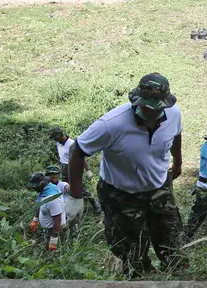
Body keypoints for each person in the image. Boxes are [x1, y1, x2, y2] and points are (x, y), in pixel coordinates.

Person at [68, 73, 184, 277]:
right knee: (131, 249)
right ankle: (142, 273)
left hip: (158, 187)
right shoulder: (112, 124)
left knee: (172, 242)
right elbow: (77, 150)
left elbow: (176, 134)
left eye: (154, 107)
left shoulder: (173, 114)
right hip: (121, 194)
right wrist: (76, 195)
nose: (148, 110)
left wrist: (178, 162)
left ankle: (174, 275)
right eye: (144, 105)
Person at [48, 127, 102, 214]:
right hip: (63, 168)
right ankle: (75, 205)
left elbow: (82, 158)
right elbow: (61, 155)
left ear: (59, 136)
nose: (55, 140)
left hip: (73, 167)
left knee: (80, 187)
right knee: (68, 188)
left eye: (55, 138)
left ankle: (95, 204)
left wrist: (87, 170)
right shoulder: (59, 143)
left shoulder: (72, 144)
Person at [27, 172, 65, 252]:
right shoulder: (45, 191)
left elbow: (57, 220)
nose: (34, 189)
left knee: (52, 254)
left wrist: (53, 240)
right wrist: (35, 219)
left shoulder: (52, 199)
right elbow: (39, 204)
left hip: (54, 230)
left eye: (35, 187)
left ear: (41, 185)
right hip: (48, 228)